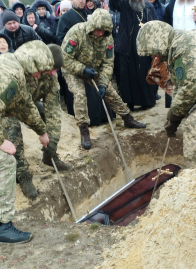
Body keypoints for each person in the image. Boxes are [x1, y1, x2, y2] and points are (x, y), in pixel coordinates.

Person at [137, 21, 196, 167]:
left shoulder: (184, 46)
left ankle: (195, 175)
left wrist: (175, 116)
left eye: (152, 51)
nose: (153, 56)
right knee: (194, 116)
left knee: (195, 125)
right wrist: (175, 113)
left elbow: (191, 87)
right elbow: (181, 85)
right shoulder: (176, 47)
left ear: (158, 40)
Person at [62, 8, 146, 150]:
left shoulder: (107, 38)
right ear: (92, 26)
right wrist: (82, 70)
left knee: (110, 92)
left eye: (104, 31)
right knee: (80, 95)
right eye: (98, 30)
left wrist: (102, 84)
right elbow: (65, 58)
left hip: (94, 69)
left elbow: (108, 63)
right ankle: (84, 130)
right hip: (73, 70)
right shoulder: (76, 32)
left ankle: (127, 118)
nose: (100, 33)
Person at [2, 41, 71, 199]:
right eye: (52, 69)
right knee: (12, 131)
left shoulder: (51, 77)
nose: (54, 73)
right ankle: (23, 175)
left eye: (57, 70)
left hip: (28, 106)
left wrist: (51, 141)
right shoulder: (19, 71)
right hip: (7, 109)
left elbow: (52, 108)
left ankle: (50, 156)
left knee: (44, 113)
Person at [0, 45, 52, 243]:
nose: (39, 75)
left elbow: (26, 104)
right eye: (39, 70)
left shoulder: (16, 68)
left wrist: (42, 131)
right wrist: (1, 142)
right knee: (6, 161)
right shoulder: (11, 76)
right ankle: (3, 226)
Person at [109, 0, 158, 111]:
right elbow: (113, 3)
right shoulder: (124, 4)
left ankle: (147, 101)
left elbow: (156, 25)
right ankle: (129, 102)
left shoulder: (149, 6)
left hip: (145, 47)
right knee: (129, 75)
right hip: (128, 47)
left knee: (144, 74)